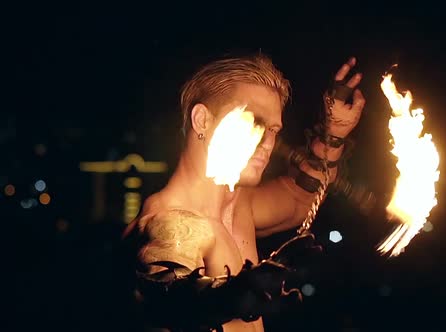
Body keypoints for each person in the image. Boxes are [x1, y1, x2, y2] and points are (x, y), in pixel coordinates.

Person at [121, 54, 365, 332]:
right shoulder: (172, 221)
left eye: (273, 130)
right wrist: (236, 295)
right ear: (202, 120)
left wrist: (333, 134)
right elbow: (169, 300)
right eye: (255, 121)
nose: (268, 143)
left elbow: (300, 198)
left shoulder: (238, 206)